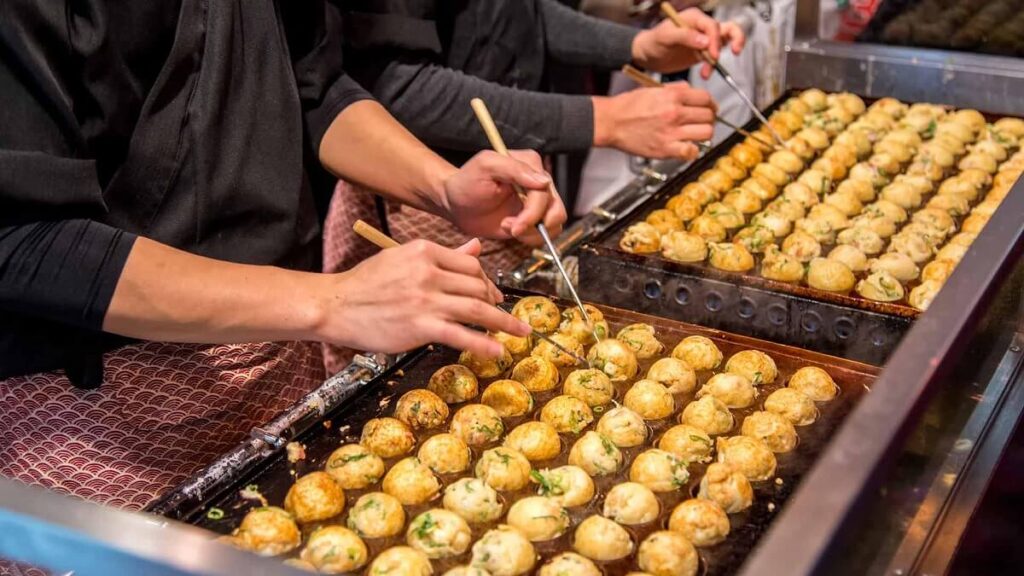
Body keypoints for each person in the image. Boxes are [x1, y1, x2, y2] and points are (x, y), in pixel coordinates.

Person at [0, 0, 564, 511]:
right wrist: (333, 300)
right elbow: (23, 237)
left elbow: (312, 85)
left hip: (280, 346)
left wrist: (443, 189)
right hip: (99, 406)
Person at [322, 2, 744, 372]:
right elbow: (392, 83)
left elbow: (514, 14)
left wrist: (635, 46)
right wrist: (602, 119)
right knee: (446, 365)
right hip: (414, 194)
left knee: (518, 340)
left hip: (501, 178)